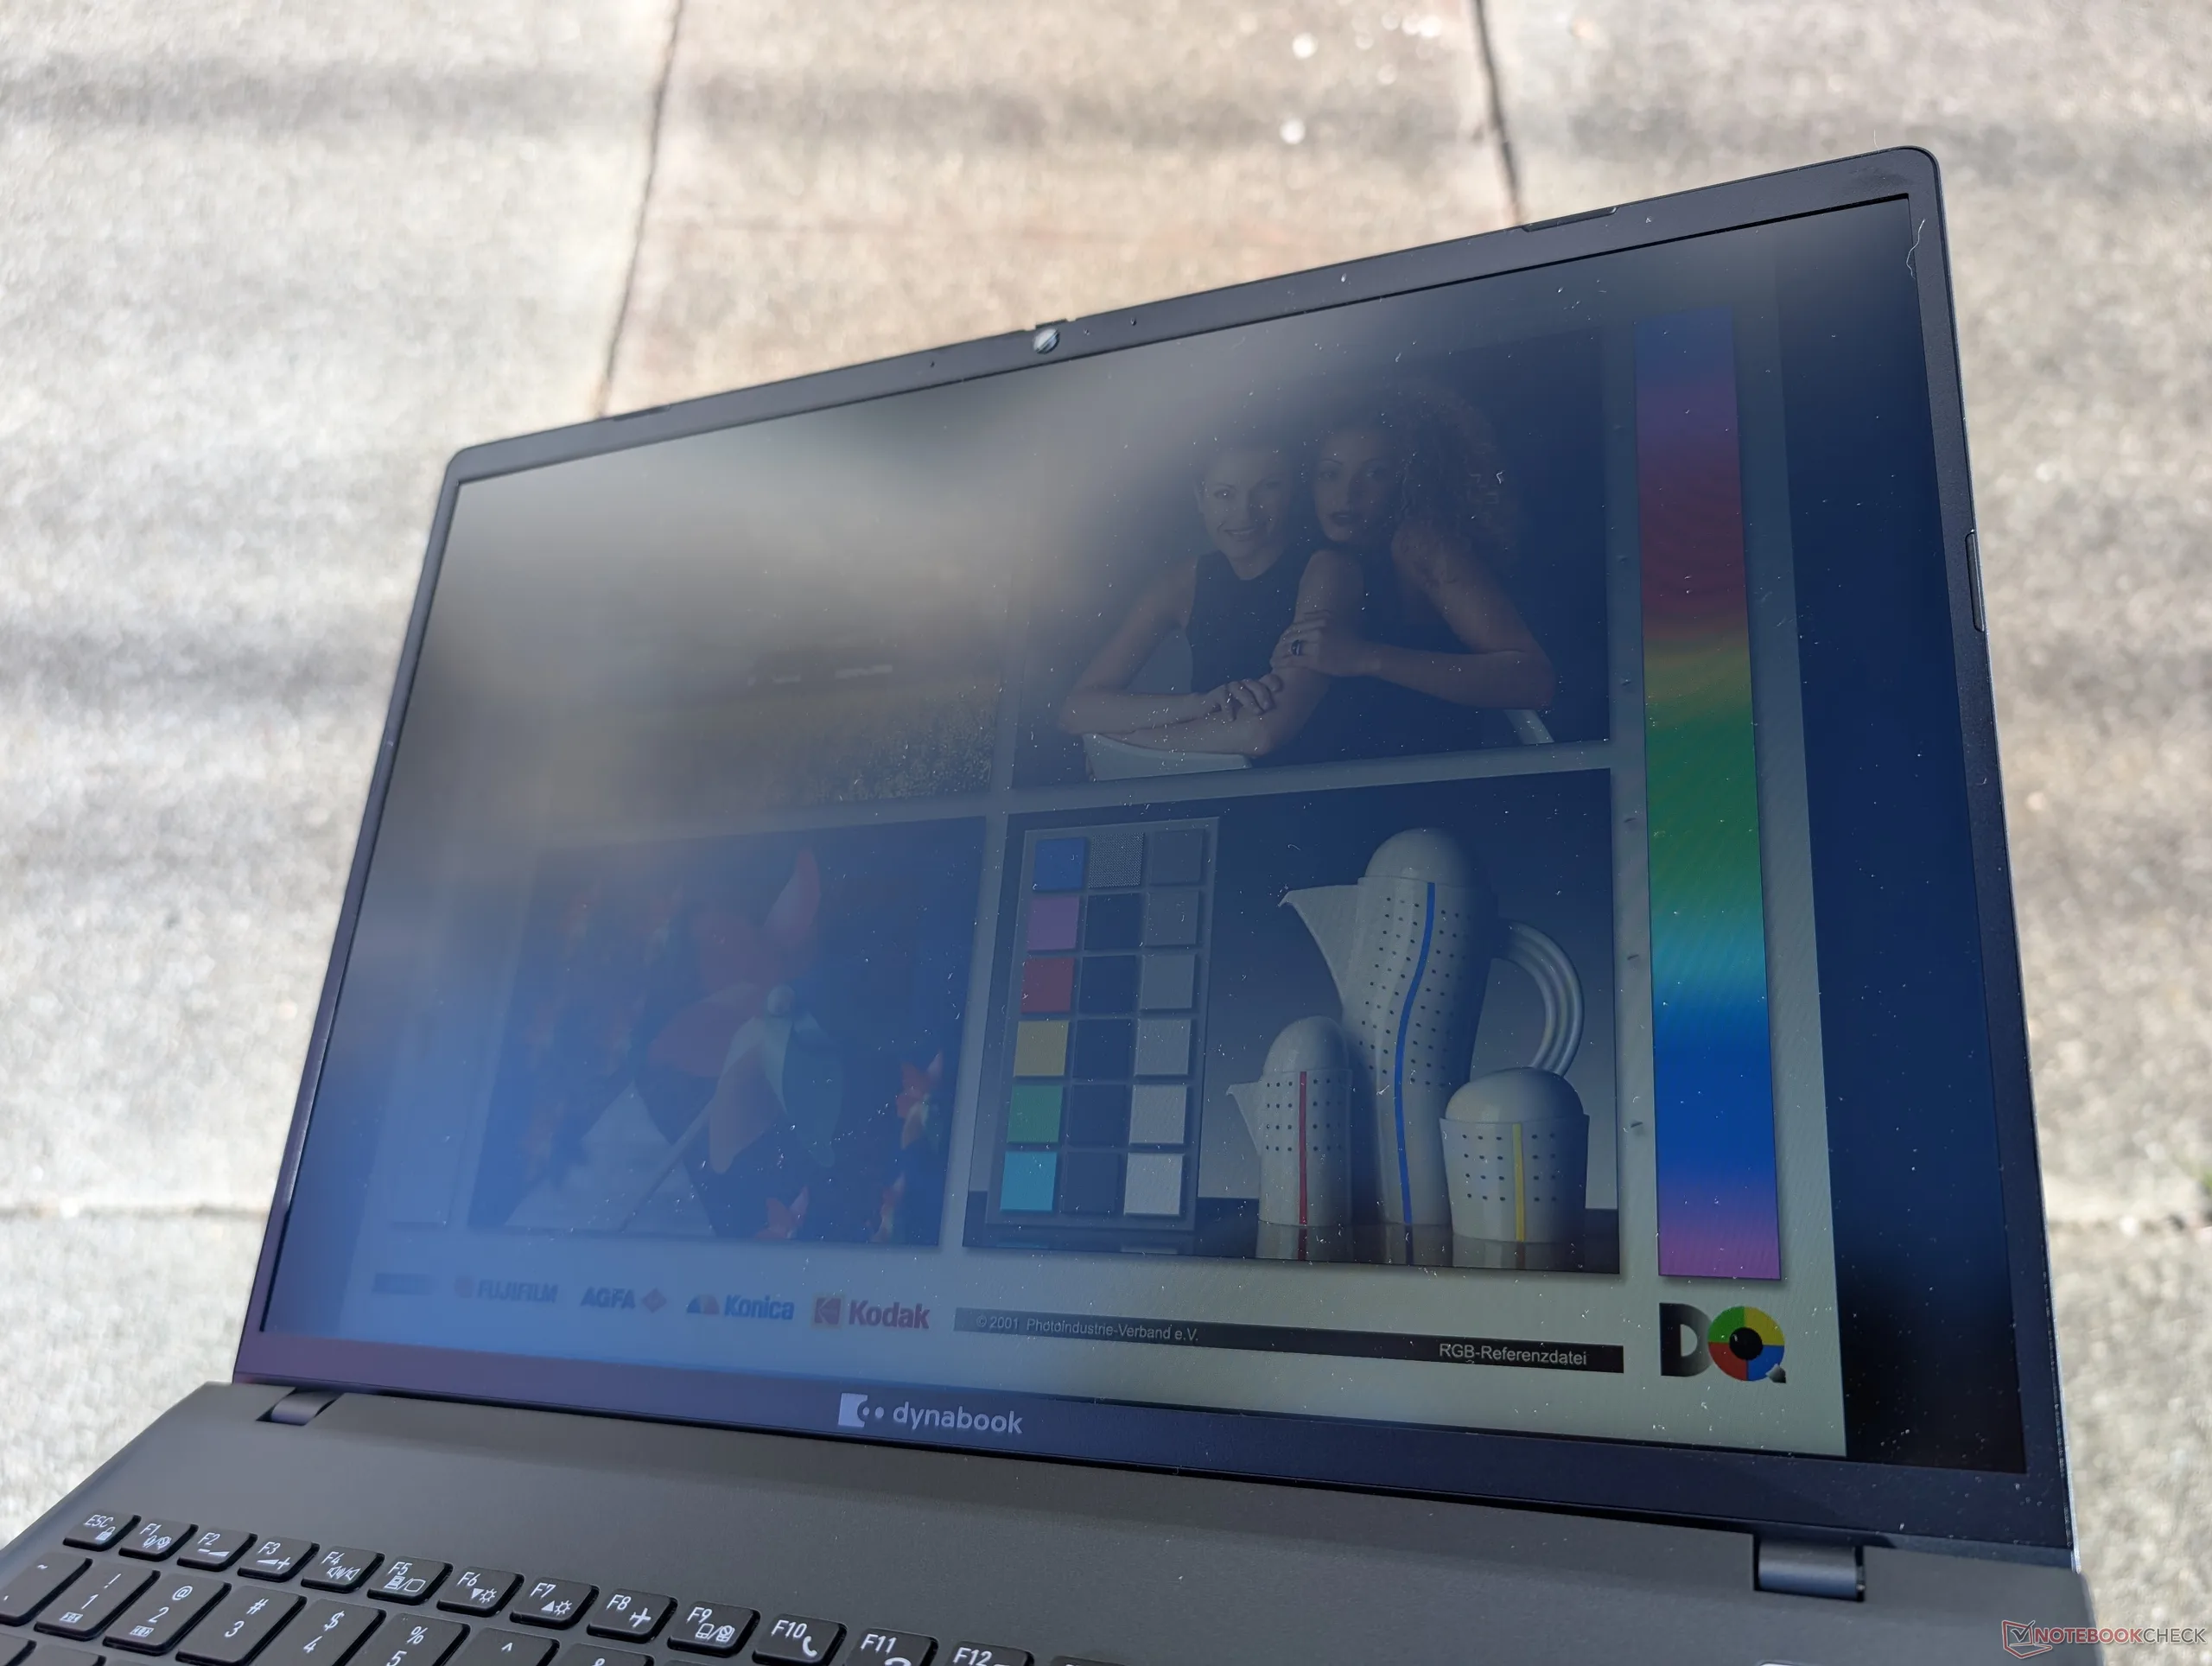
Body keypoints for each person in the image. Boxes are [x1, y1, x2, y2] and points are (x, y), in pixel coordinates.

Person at [1270, 384, 1554, 757]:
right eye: (1330, 474)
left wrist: (1365, 657)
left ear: (1411, 478)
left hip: (1434, 771)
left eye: (1375, 473)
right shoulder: (1313, 556)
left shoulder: (1419, 542)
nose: (1347, 494)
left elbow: (1533, 680)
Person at [1057, 436, 1357, 762]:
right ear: (1200, 497)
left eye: (1267, 488)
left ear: (1291, 492)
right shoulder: (1182, 582)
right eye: (1224, 494)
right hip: (1212, 788)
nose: (1244, 512)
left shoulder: (1327, 569)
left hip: (1304, 786)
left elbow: (1261, 734)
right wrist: (1197, 704)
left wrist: (1129, 739)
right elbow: (1075, 711)